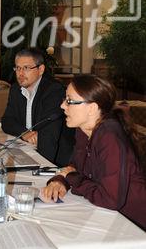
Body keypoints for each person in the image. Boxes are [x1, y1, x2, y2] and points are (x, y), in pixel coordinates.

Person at [42, 74, 146, 230]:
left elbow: (110, 199)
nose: (63, 106)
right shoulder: (84, 130)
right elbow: (75, 166)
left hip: (133, 226)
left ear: (91, 108)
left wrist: (71, 178)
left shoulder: (109, 137)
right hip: (111, 218)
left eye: (69, 101)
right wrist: (60, 181)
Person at [1, 48, 75, 166]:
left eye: (26, 68)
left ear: (41, 69)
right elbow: (7, 121)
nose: (20, 73)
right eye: (18, 68)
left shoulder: (53, 91)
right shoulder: (16, 89)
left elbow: (49, 136)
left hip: (56, 159)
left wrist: (42, 167)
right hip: (28, 149)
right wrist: (24, 133)